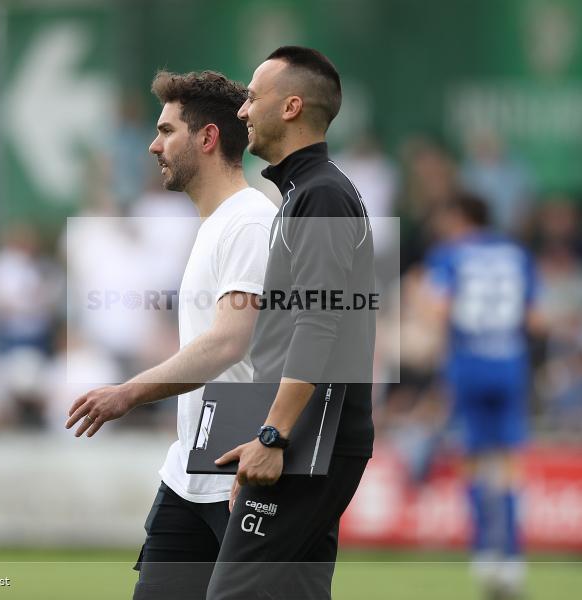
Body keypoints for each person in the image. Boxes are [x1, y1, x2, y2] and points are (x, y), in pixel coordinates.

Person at [65, 70, 276, 600]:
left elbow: (229, 343)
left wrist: (130, 391)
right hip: (189, 472)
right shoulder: (215, 225)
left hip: (239, 474)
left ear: (207, 139)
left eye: (166, 130)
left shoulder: (249, 222)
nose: (153, 145)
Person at [207, 46, 375, 600]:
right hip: (310, 436)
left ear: (292, 107)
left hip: (311, 438)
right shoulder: (303, 193)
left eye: (253, 97)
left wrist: (274, 436)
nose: (241, 110)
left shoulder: (322, 194)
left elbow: (319, 323)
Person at [423, 193, 540, 600]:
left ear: (458, 216)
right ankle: (512, 558)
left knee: (472, 461)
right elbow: (533, 317)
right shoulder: (516, 254)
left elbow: (438, 311)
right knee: (509, 464)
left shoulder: (450, 254)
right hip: (510, 362)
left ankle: (485, 554)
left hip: (469, 364)